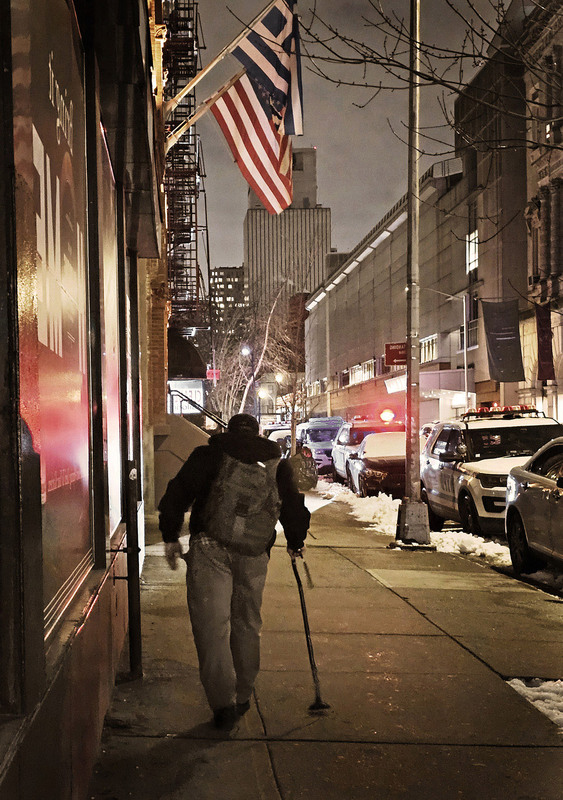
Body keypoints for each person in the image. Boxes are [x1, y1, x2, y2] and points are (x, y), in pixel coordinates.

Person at [158, 413, 310, 732]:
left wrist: (171, 535)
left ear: (228, 430)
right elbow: (293, 506)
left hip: (210, 547)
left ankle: (223, 704)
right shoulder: (276, 463)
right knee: (247, 623)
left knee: (212, 627)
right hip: (254, 553)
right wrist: (296, 541)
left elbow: (177, 493)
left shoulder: (209, 454)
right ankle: (242, 694)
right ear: (257, 433)